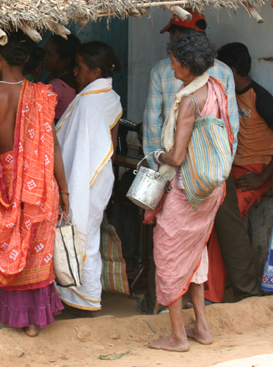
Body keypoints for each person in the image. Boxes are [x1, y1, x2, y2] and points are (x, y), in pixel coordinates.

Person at [140, 9, 257, 315]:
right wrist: (221, 169)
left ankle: (159, 303)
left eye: (172, 34)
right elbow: (231, 126)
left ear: (181, 37)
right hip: (215, 170)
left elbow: (152, 122)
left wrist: (156, 168)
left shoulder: (162, 71)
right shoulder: (223, 74)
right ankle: (249, 297)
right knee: (229, 230)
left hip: (175, 171)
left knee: (168, 239)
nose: (170, 40)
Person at [0, 32, 69, 337]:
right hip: (38, 185)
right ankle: (34, 321)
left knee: (7, 244)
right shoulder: (42, 95)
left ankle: (12, 316)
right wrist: (64, 191)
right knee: (36, 249)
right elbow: (54, 148)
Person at [147, 32, 231, 352]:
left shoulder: (188, 101)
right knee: (195, 254)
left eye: (174, 63)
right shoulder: (214, 89)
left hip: (187, 190)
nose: (171, 69)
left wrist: (158, 156)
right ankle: (203, 328)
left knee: (168, 254)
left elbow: (178, 157)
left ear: (187, 65)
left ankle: (178, 336)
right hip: (211, 188)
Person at [54, 41, 122, 315]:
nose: (74, 72)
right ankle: (86, 296)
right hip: (101, 176)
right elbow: (111, 147)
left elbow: (78, 151)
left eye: (79, 68)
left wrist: (69, 187)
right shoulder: (110, 96)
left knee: (80, 234)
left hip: (85, 178)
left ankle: (83, 300)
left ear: (95, 71)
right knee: (88, 235)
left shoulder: (89, 103)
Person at [213, 42, 273, 300]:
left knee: (227, 223)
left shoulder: (260, 98)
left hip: (256, 171)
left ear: (232, 70)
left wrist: (262, 177)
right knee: (220, 221)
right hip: (233, 170)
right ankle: (219, 290)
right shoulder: (227, 94)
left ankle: (221, 293)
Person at [43, 35, 80, 121]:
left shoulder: (55, 86)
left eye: (49, 54)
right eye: (45, 52)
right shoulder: (74, 78)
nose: (44, 57)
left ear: (64, 61)